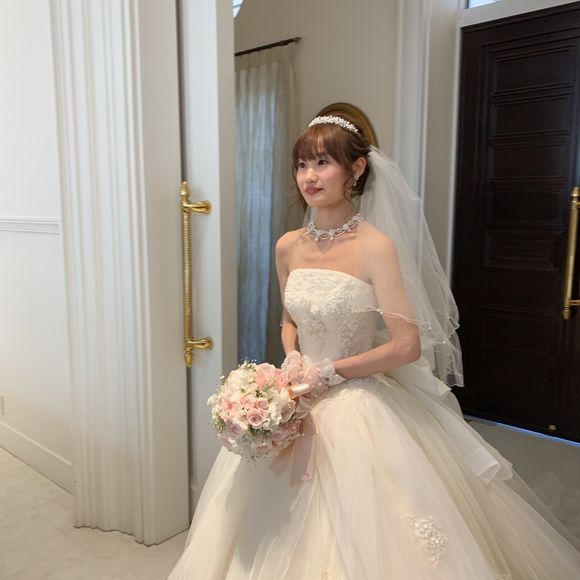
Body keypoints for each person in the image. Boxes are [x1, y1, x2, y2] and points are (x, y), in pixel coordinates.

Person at [168, 113, 580, 579]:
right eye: (301, 164)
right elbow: (289, 319)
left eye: (322, 163)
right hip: (295, 393)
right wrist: (293, 357)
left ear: (356, 169)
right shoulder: (287, 246)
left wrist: (331, 372)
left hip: (356, 397)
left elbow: (406, 346)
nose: (308, 176)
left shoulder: (375, 246)